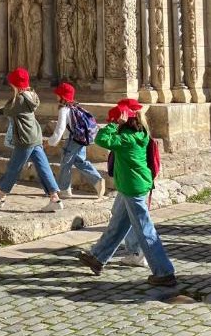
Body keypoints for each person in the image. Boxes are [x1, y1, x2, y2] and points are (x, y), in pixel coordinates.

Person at [76, 100, 177, 287]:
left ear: (125, 120)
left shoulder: (127, 139)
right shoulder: (140, 133)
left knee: (145, 230)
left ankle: (164, 272)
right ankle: (98, 258)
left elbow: (101, 139)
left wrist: (114, 124)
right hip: (129, 187)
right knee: (118, 224)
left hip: (133, 188)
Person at [0, 68, 64, 211]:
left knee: (14, 168)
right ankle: (55, 199)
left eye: (12, 84)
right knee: (43, 167)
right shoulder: (31, 95)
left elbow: (8, 109)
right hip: (35, 136)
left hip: (25, 139)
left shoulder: (19, 99)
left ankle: (0, 196)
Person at [49, 81, 106, 199]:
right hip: (81, 140)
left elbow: (60, 129)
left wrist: (51, 142)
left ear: (62, 96)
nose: (56, 96)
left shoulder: (63, 110)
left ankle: (64, 190)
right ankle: (97, 180)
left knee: (65, 164)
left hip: (72, 140)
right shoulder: (76, 106)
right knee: (80, 162)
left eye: (58, 94)